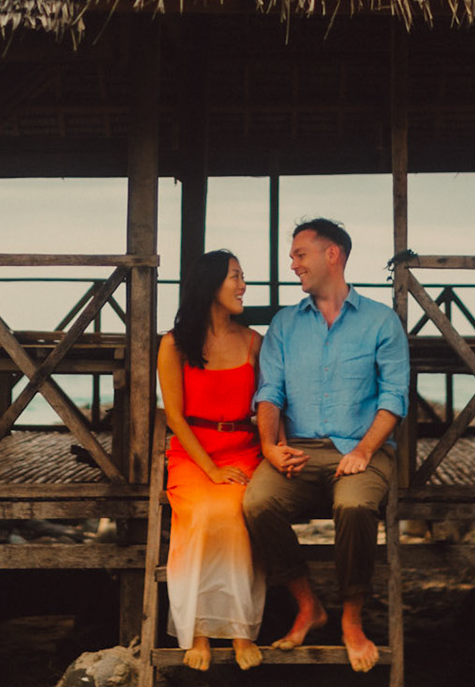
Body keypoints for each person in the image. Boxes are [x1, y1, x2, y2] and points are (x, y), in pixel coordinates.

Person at [244, 219, 410, 673]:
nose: (292, 263)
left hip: (363, 449)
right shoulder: (285, 324)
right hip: (296, 448)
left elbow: (394, 396)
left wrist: (364, 451)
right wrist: (269, 447)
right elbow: (269, 391)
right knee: (257, 503)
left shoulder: (381, 321)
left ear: (331, 254)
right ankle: (307, 605)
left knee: (355, 508)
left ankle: (352, 617)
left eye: (300, 254)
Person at [157, 248, 266, 671]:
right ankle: (198, 632)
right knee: (203, 513)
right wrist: (211, 469)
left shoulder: (254, 341)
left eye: (242, 276)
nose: (243, 285)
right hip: (193, 454)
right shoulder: (175, 344)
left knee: (239, 512)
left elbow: (269, 404)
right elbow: (174, 417)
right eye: (235, 276)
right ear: (210, 285)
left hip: (243, 449)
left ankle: (242, 631)